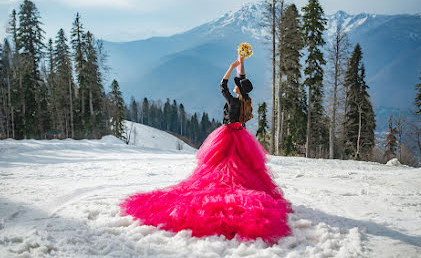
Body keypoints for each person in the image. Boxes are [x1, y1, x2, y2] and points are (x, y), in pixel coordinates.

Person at [119, 55, 294, 245]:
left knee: (221, 167)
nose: (237, 83)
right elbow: (241, 79)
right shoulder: (245, 101)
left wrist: (230, 67)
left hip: (227, 134)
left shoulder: (233, 101)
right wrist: (241, 63)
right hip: (241, 135)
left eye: (238, 84)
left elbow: (222, 86)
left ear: (238, 89)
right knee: (241, 166)